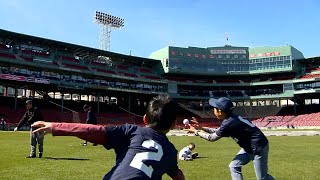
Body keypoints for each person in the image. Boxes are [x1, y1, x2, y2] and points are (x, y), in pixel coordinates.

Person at [32, 94, 185, 180]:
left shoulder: (131, 131)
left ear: (145, 119)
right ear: (173, 125)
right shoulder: (171, 151)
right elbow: (178, 177)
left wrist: (55, 126)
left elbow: (94, 131)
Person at [185, 97, 274, 180]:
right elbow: (217, 131)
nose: (213, 110)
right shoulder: (231, 119)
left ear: (220, 111)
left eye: (214, 109)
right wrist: (201, 128)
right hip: (249, 147)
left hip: (258, 148)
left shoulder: (229, 123)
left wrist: (196, 132)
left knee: (262, 178)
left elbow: (212, 138)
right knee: (234, 166)